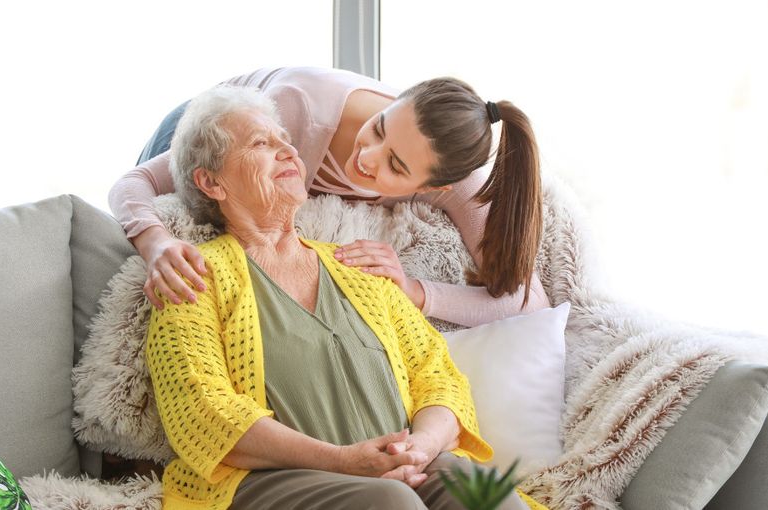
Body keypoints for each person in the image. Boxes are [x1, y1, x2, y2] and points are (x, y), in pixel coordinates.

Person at [144, 85, 541, 510]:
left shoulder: (360, 266)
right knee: (391, 503)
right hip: (274, 481)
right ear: (210, 182)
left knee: (480, 490)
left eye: (286, 140)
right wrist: (342, 461)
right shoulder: (190, 277)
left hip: (404, 469)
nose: (287, 151)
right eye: (262, 143)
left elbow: (438, 378)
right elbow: (205, 416)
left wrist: (422, 447)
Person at [110, 67, 551, 327]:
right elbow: (131, 185)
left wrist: (413, 291)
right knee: (131, 263)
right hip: (205, 128)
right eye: (379, 127)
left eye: (395, 166)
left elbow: (527, 300)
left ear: (434, 188)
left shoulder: (455, 179)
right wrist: (157, 243)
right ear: (394, 101)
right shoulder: (296, 115)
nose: (367, 156)